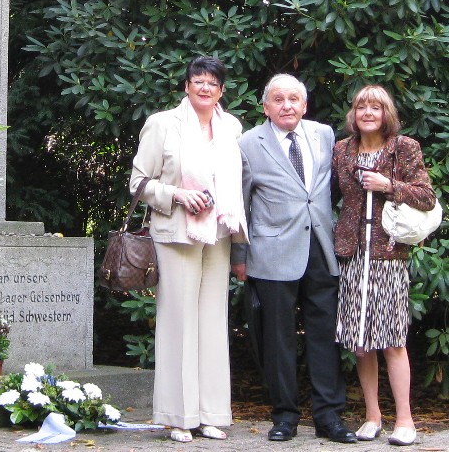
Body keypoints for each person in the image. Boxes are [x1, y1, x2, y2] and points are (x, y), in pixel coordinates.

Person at [231, 73, 357, 444]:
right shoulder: (247, 143)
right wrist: (240, 256)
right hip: (271, 253)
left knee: (324, 335)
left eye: (293, 99)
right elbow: (241, 203)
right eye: (278, 99)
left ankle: (329, 417)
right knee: (278, 339)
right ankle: (284, 416)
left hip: (320, 247)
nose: (287, 105)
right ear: (266, 106)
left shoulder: (324, 134)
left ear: (304, 105)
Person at [130, 55, 247, 443]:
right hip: (177, 232)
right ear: (186, 86)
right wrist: (177, 194)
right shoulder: (163, 123)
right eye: (197, 80)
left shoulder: (231, 126)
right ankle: (179, 417)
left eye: (212, 83)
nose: (204, 87)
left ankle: (210, 414)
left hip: (218, 231)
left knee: (212, 322)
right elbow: (138, 183)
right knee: (179, 322)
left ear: (221, 90)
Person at [332, 85, 437, 446]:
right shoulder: (342, 150)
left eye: (376, 107)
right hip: (351, 253)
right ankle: (372, 415)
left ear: (386, 113)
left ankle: (405, 419)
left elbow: (426, 196)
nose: (368, 113)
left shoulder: (404, 147)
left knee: (391, 338)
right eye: (362, 107)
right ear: (354, 114)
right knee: (361, 343)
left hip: (388, 254)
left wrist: (388, 184)